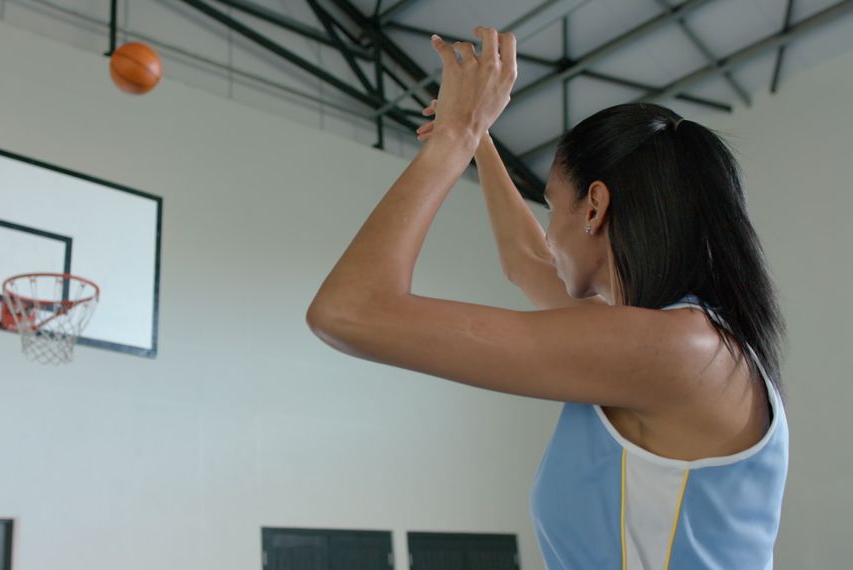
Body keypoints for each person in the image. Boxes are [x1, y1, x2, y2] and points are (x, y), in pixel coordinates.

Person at [306, 27, 787, 569]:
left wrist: (456, 139)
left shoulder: (675, 351)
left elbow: (349, 312)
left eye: (552, 208)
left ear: (594, 208)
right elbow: (527, 261)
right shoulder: (678, 342)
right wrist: (476, 135)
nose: (548, 232)